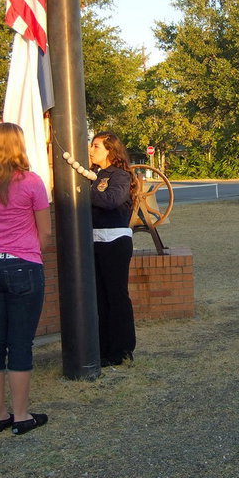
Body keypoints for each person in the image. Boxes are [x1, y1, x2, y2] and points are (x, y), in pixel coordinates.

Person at [0, 123, 51, 434]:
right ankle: (20, 415)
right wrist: (28, 253)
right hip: (23, 266)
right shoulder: (31, 182)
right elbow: (45, 231)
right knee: (20, 344)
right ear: (19, 145)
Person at [89, 132, 137, 366]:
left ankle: (121, 349)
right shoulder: (93, 175)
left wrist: (87, 188)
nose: (91, 150)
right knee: (99, 298)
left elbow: (110, 200)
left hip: (114, 242)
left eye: (96, 146)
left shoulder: (120, 176)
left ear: (110, 150)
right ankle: (103, 349)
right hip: (94, 241)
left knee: (116, 297)